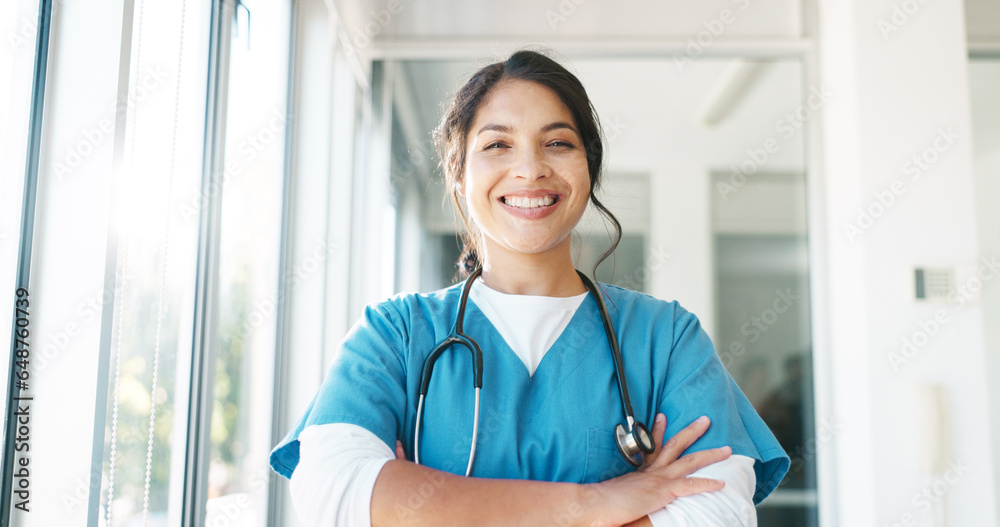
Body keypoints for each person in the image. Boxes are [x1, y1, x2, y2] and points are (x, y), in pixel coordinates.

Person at [269, 49, 789, 526]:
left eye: (558, 143)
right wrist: (601, 501)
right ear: (458, 171)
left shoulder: (667, 338)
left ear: (589, 166)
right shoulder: (395, 334)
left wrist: (432, 509)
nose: (530, 168)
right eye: (498, 144)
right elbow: (334, 493)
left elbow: (717, 511)